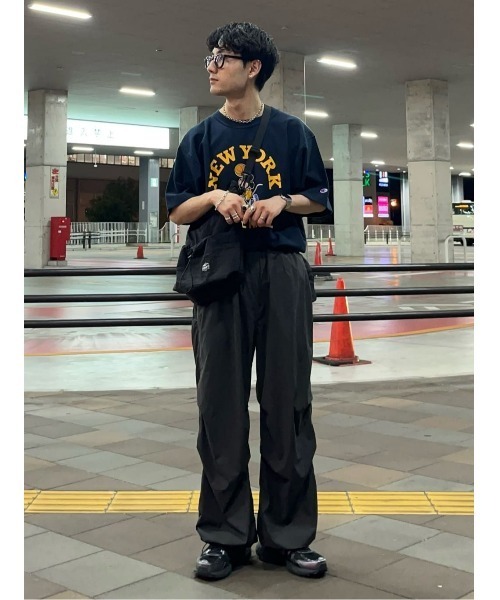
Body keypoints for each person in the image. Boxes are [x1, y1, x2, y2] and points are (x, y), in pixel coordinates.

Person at [166, 21, 331, 581]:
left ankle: (288, 537)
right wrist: (215, 195)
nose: (212, 66)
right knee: (220, 406)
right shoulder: (199, 138)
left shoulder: (292, 132)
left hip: (281, 269)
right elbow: (177, 209)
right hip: (220, 275)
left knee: (288, 403)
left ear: (253, 67)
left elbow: (317, 197)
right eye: (210, 57)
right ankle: (224, 537)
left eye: (223, 57)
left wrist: (282, 201)